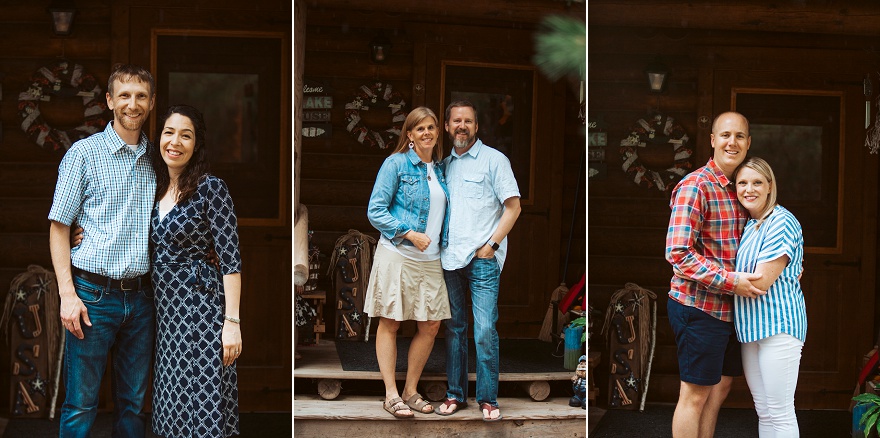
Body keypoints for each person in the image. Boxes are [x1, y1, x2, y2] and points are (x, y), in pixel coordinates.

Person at [48, 64, 157, 437]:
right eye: (124, 95)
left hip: (143, 299)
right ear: (110, 101)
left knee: (133, 405)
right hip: (92, 297)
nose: (132, 103)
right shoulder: (83, 154)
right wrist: (67, 295)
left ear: (151, 102)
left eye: (141, 95)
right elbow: (59, 227)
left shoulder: (159, 159)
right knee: (80, 404)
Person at [664, 111, 767, 438]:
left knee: (720, 389)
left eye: (739, 136)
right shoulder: (697, 185)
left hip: (732, 312)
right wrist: (731, 280)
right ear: (713, 140)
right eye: (725, 135)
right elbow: (677, 253)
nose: (732, 142)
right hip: (699, 307)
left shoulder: (744, 188)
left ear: (748, 143)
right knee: (694, 395)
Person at [149, 104, 242, 437]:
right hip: (165, 313)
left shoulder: (211, 189)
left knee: (202, 398)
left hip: (201, 309)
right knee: (172, 396)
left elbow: (231, 259)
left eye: (185, 135)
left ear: (197, 144)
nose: (175, 142)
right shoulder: (153, 186)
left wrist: (231, 324)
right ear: (159, 137)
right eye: (169, 132)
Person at [436, 100, 522, 421]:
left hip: (482, 258)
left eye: (468, 121)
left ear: (476, 126)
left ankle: (488, 399)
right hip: (450, 259)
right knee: (455, 329)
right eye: (456, 121)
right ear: (447, 127)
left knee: (484, 329)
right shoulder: (443, 166)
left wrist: (492, 245)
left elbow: (513, 207)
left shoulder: (494, 161)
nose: (462, 126)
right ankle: (456, 395)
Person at [364, 106, 451, 418]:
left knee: (430, 324)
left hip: (432, 259)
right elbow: (375, 210)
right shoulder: (396, 164)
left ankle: (410, 390)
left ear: (437, 132)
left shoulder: (441, 170)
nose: (426, 133)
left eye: (430, 127)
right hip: (398, 255)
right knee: (391, 320)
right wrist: (409, 233)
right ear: (410, 135)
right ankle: (390, 394)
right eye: (419, 129)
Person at [734, 157, 806, 437]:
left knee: (780, 411)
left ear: (769, 186)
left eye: (756, 182)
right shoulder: (750, 225)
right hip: (751, 329)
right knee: (763, 409)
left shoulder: (782, 221)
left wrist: (712, 278)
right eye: (742, 182)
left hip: (779, 327)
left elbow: (761, 281)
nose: (749, 189)